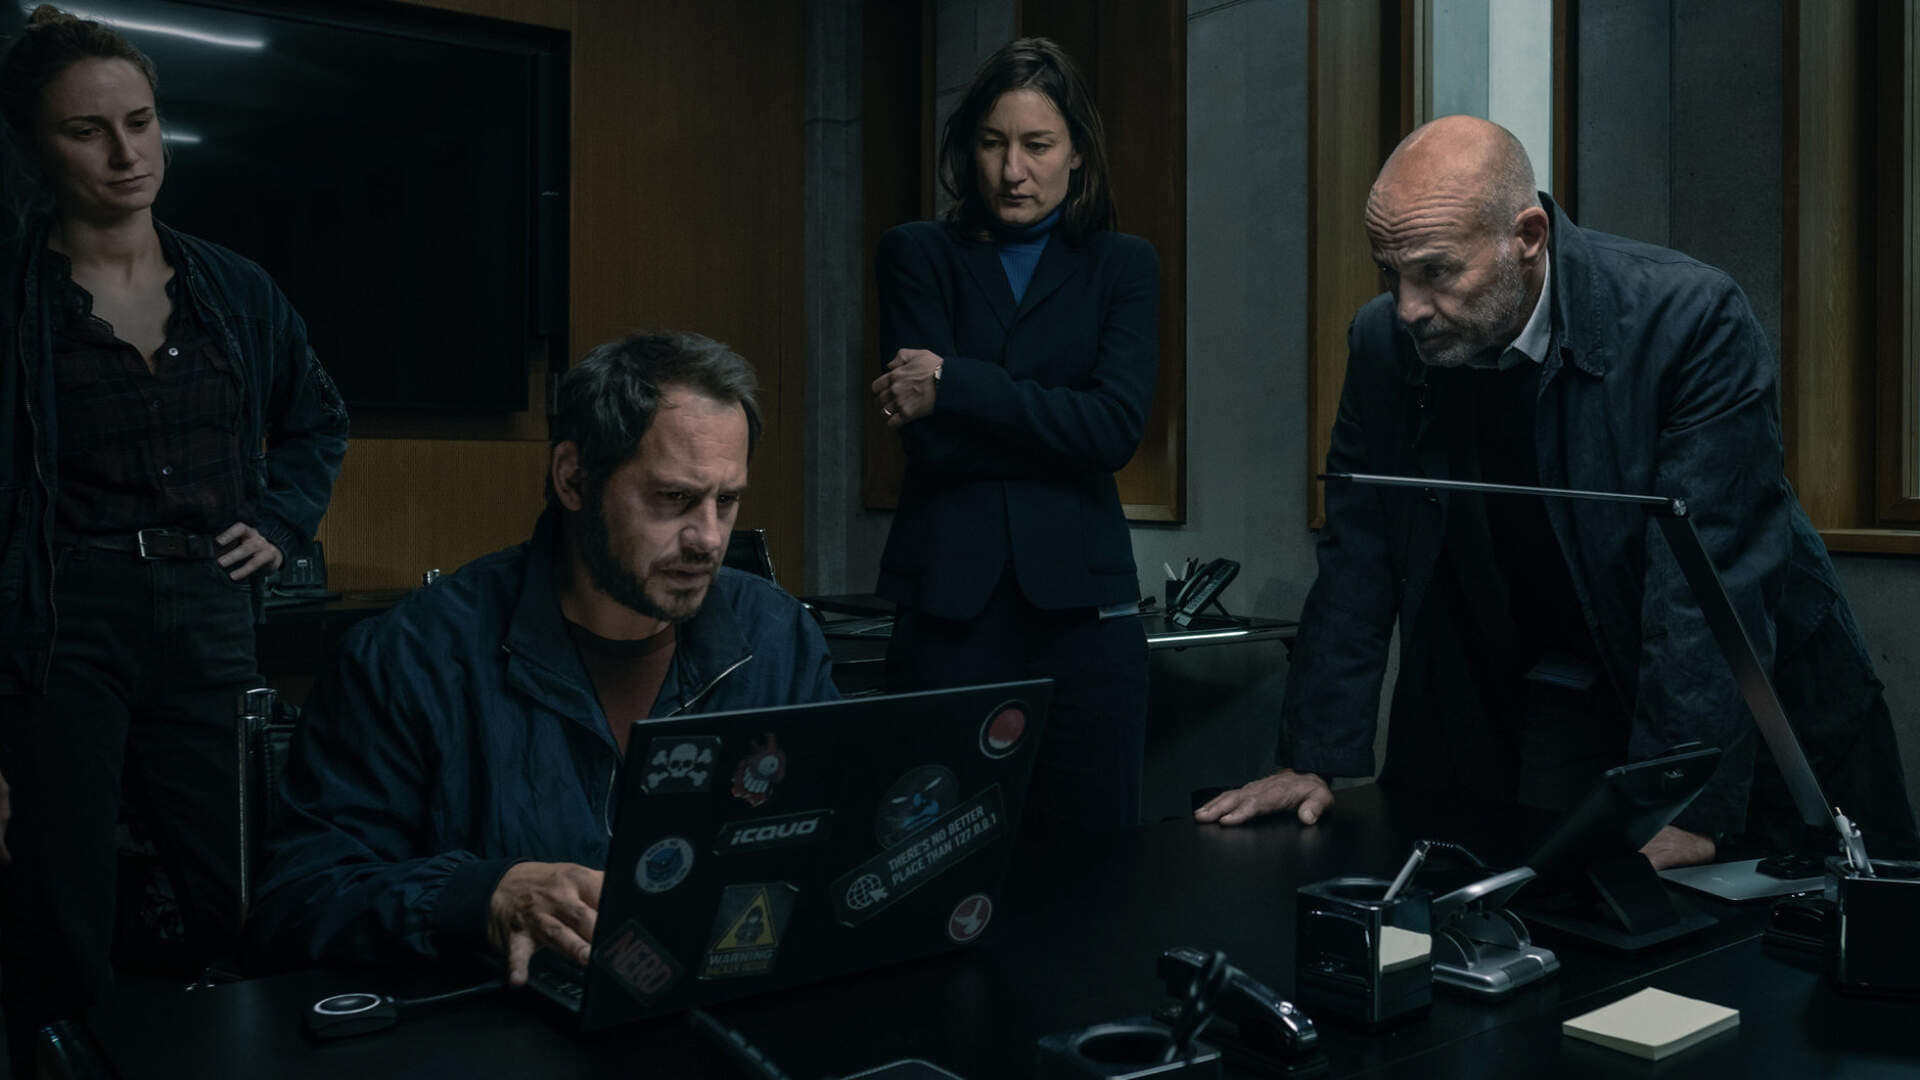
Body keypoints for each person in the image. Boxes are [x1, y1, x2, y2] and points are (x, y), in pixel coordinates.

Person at [1197, 116, 1917, 867]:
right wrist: (1312, 757)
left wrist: (1683, 801)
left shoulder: (1689, 319)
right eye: (1390, 273)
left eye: (1437, 272)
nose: (1407, 307)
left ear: (1528, 237)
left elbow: (1708, 579)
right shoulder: (1385, 343)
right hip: (1564, 707)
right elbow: (1360, 552)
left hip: (1755, 709)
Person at [246, 331, 838, 982]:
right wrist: (482, 896)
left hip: (717, 1005)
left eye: (726, 501)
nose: (709, 539)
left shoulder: (780, 638)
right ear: (573, 478)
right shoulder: (412, 656)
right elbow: (299, 897)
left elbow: (832, 851)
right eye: (673, 499)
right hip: (501, 1021)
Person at [0, 5, 348, 1064]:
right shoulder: (15, 299)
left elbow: (316, 419)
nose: (126, 153)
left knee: (240, 878)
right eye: (87, 131)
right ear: (35, 147)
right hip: (69, 617)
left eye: (141, 122)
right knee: (63, 900)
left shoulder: (232, 288)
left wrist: (280, 519)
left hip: (209, 607)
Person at [869, 37, 1158, 836]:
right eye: (993, 143)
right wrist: (1060, 426)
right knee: (928, 860)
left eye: (1038, 144)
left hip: (1086, 622)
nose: (1012, 170)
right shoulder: (916, 253)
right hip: (948, 612)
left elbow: (1114, 431)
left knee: (1091, 868)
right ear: (968, 149)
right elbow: (932, 445)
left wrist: (956, 384)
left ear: (1077, 152)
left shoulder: (1123, 266)